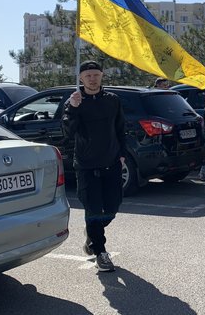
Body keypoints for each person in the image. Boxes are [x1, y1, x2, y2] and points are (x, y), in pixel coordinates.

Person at [62, 60, 127, 272]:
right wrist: (73, 109)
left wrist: (122, 155)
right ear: (81, 78)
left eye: (96, 75)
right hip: (86, 165)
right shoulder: (74, 101)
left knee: (112, 207)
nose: (92, 79)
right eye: (88, 76)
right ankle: (100, 252)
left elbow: (121, 128)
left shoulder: (112, 100)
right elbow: (67, 132)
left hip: (112, 163)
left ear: (101, 76)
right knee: (93, 208)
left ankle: (92, 232)